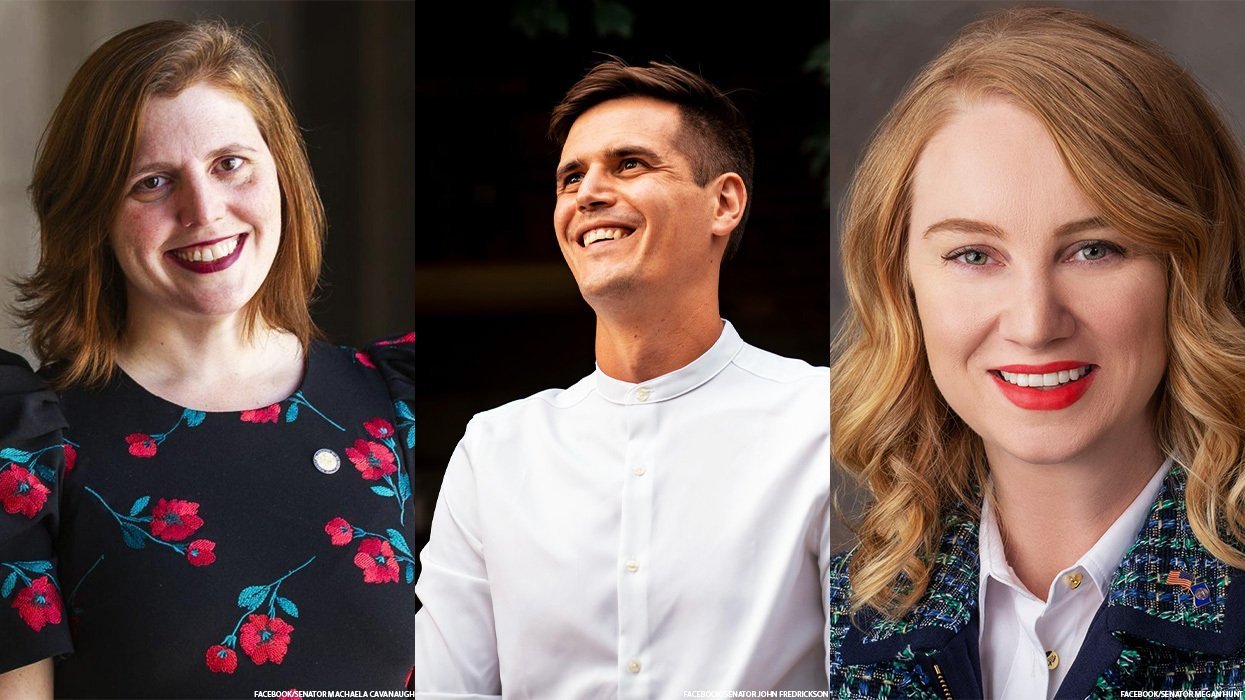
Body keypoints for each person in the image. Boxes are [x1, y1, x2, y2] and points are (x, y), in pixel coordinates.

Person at [827, 6, 1245, 698]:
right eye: (972, 254)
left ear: (1193, 271)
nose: (1032, 322)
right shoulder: (824, 627)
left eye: (1094, 249)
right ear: (900, 286)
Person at [0, 20, 415, 696]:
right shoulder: (26, 451)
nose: (204, 209)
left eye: (229, 164)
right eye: (152, 182)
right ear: (93, 214)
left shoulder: (397, 403)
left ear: (280, 169)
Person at [414, 58, 830, 696]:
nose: (588, 194)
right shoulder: (493, 453)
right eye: (571, 177)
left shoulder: (827, 422)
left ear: (724, 202)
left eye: (629, 164)